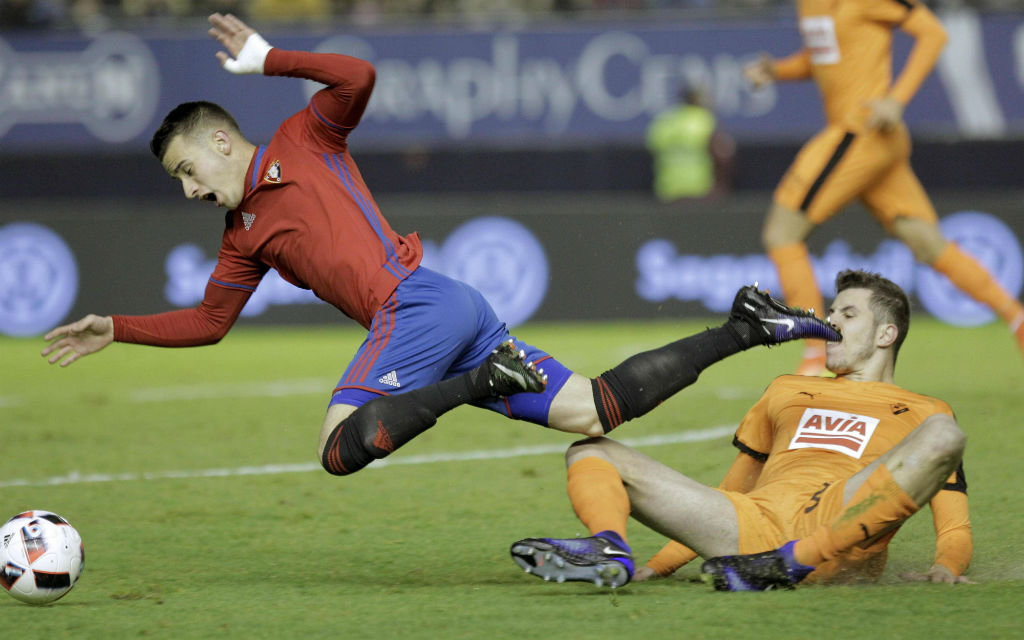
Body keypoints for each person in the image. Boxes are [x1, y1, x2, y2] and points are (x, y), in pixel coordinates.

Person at [40, 14, 840, 479]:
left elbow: (356, 77)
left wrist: (270, 60)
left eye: (189, 169)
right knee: (593, 411)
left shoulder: (302, 136)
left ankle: (476, 382)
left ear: (221, 139)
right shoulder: (241, 235)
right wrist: (118, 325)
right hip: (448, 306)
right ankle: (745, 327)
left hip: (417, 305)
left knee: (335, 450)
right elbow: (212, 322)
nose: (188, 190)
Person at [510, 269, 971, 591]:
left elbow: (954, 525)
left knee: (944, 435)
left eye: (848, 315)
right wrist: (660, 567)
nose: (830, 321)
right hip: (754, 530)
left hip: (837, 530)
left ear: (886, 335)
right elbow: (734, 489)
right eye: (832, 312)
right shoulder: (787, 388)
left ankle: (794, 563)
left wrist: (946, 566)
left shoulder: (925, 410)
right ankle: (611, 550)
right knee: (591, 450)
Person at [745, 0, 1024, 375]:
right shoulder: (808, 5)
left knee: (782, 234)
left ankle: (815, 355)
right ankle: (1016, 316)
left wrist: (896, 98)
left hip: (862, 130)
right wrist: (778, 70)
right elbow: (825, 57)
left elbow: (933, 31)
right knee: (928, 244)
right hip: (872, 139)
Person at [645, 84, 734, 202]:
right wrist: (720, 188)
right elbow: (722, 156)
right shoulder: (704, 120)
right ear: (698, 100)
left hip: (667, 191)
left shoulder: (663, 123)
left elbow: (653, 152)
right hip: (699, 190)